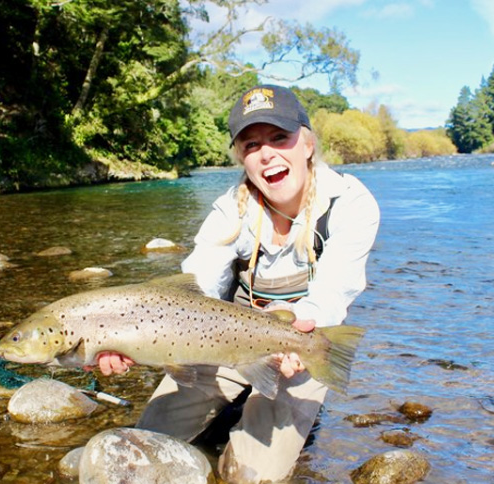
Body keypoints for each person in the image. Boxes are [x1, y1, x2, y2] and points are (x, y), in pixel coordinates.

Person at [95, 84, 380, 483]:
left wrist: (300, 330)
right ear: (241, 158)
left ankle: (250, 410)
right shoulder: (231, 209)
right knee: (144, 446)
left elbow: (335, 289)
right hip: (220, 339)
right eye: (251, 145)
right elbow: (197, 286)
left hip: (299, 343)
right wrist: (133, 341)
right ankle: (228, 403)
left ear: (308, 144)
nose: (266, 154)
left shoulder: (349, 203)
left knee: (251, 476)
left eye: (280, 138)